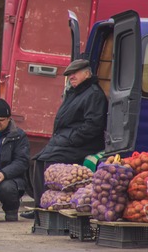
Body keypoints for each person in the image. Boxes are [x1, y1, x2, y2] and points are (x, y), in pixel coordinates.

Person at [21, 59, 108, 219]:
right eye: (68, 74)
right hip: (66, 140)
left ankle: (49, 206)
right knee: (36, 161)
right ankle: (41, 206)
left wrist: (70, 139)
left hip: (83, 143)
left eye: (74, 73)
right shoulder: (75, 93)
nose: (70, 77)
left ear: (87, 74)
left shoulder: (93, 94)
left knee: (48, 161)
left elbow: (93, 126)